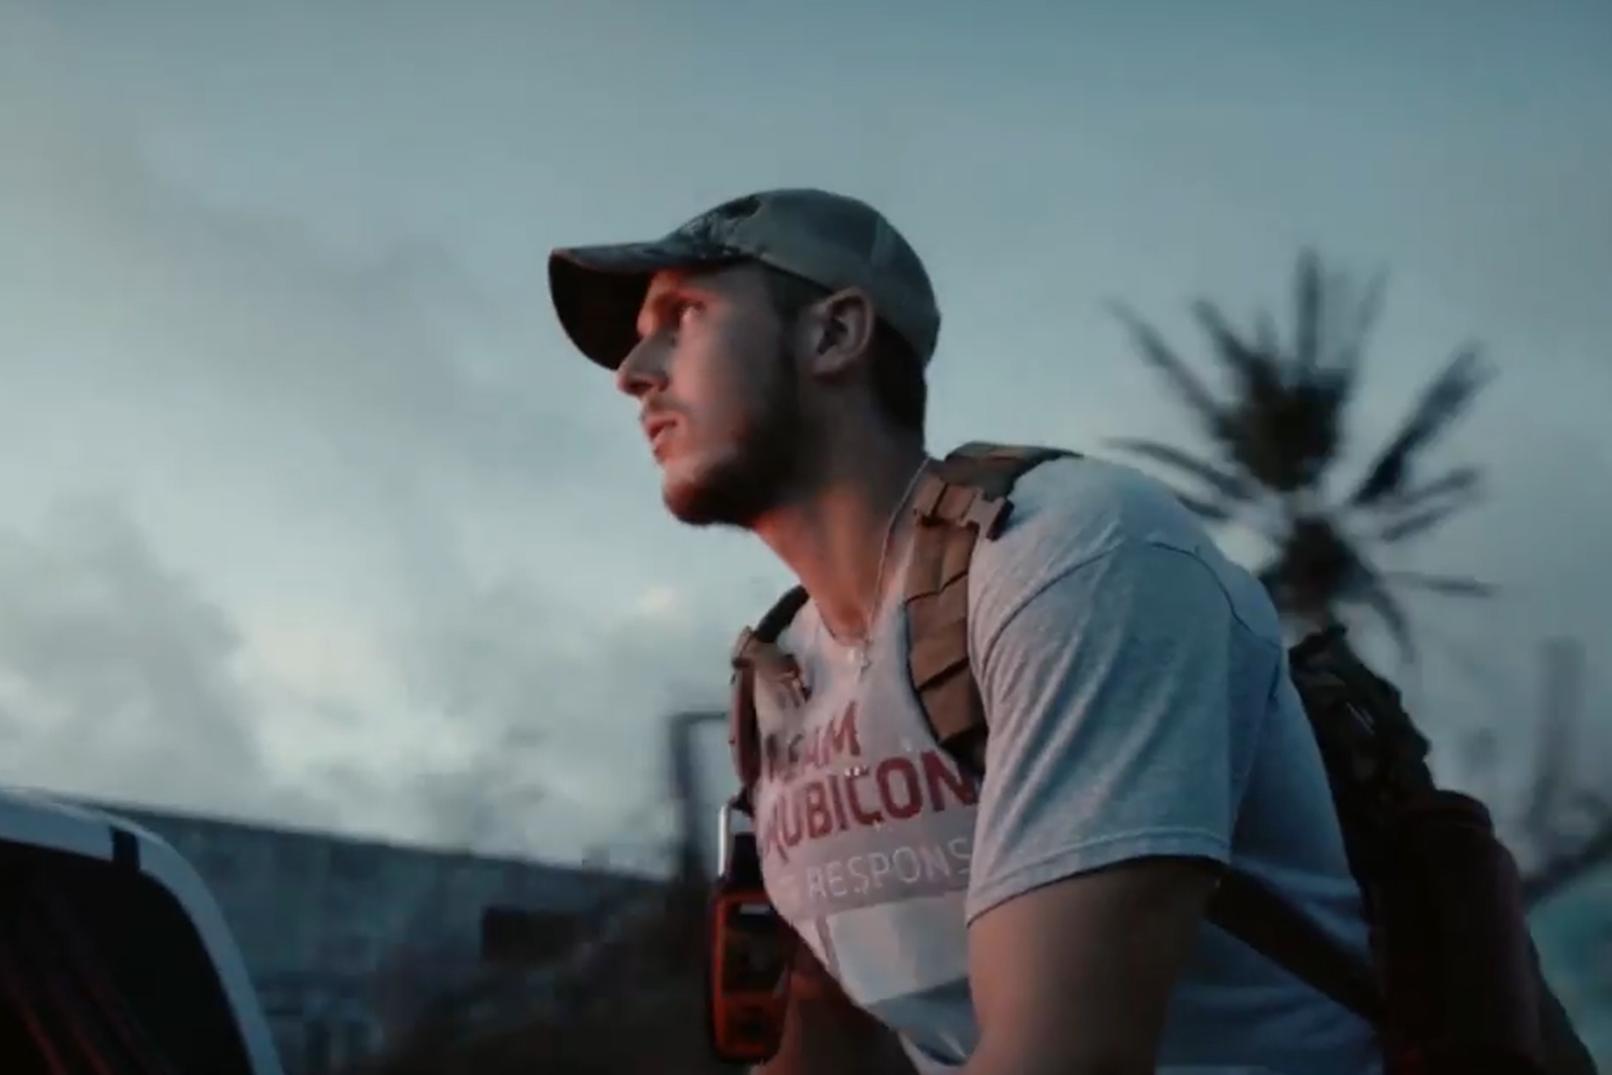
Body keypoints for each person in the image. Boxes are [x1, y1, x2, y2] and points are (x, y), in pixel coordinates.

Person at [547, 189, 1380, 1074]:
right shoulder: (779, 678)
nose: (632, 371)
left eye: (683, 317)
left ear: (834, 335)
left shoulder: (1072, 555)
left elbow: (1064, 1057)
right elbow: (820, 1024)